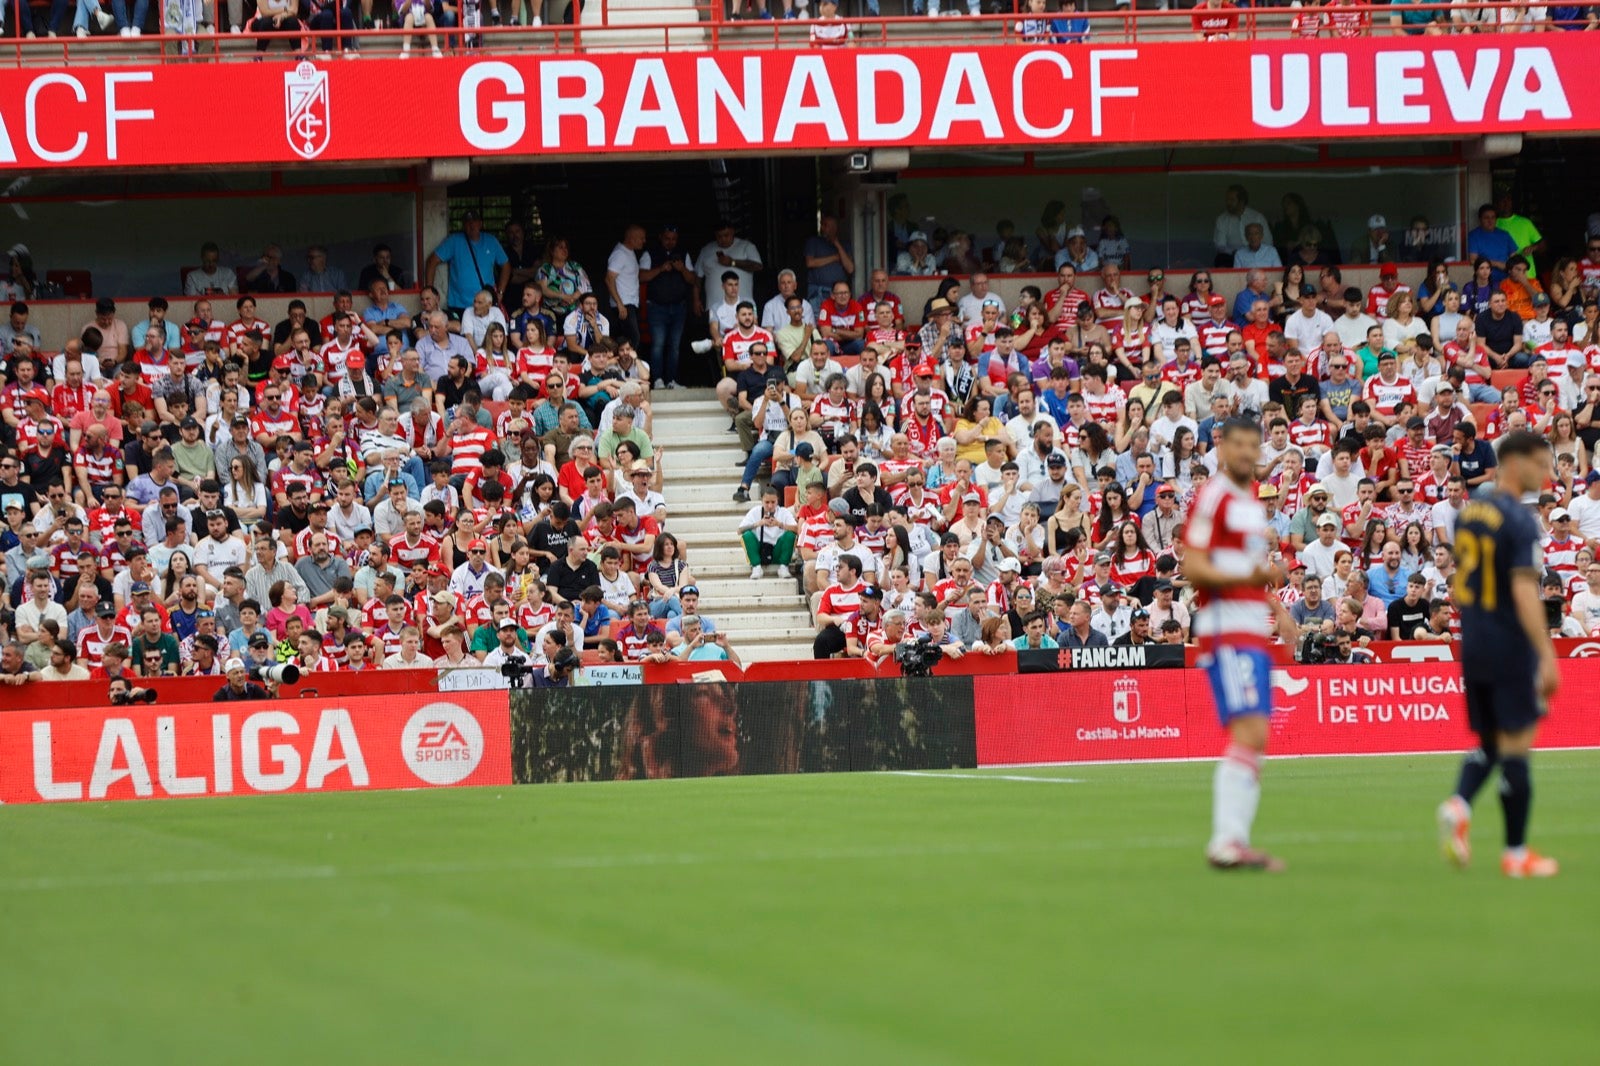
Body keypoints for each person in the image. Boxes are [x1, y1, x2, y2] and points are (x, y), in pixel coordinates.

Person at [1437, 431, 1562, 878]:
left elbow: (1462, 582)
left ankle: (1458, 802)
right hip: (1510, 643)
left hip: (1474, 642)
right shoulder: (1521, 520)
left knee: (1490, 741)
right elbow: (1524, 589)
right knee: (1517, 748)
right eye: (1540, 463)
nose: (1546, 473)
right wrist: (1546, 654)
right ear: (1514, 462)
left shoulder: (1471, 514)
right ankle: (1515, 852)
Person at [1187, 417, 1294, 872]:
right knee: (1249, 732)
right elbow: (1193, 566)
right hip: (1226, 626)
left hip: (1250, 625)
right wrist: (1249, 577)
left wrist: (1273, 601)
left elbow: (1247, 570)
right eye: (1240, 445)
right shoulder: (1214, 496)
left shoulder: (1249, 501)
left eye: (1256, 445)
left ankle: (1232, 841)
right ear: (1222, 448)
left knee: (1256, 735)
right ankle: (1227, 842)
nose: (1249, 453)